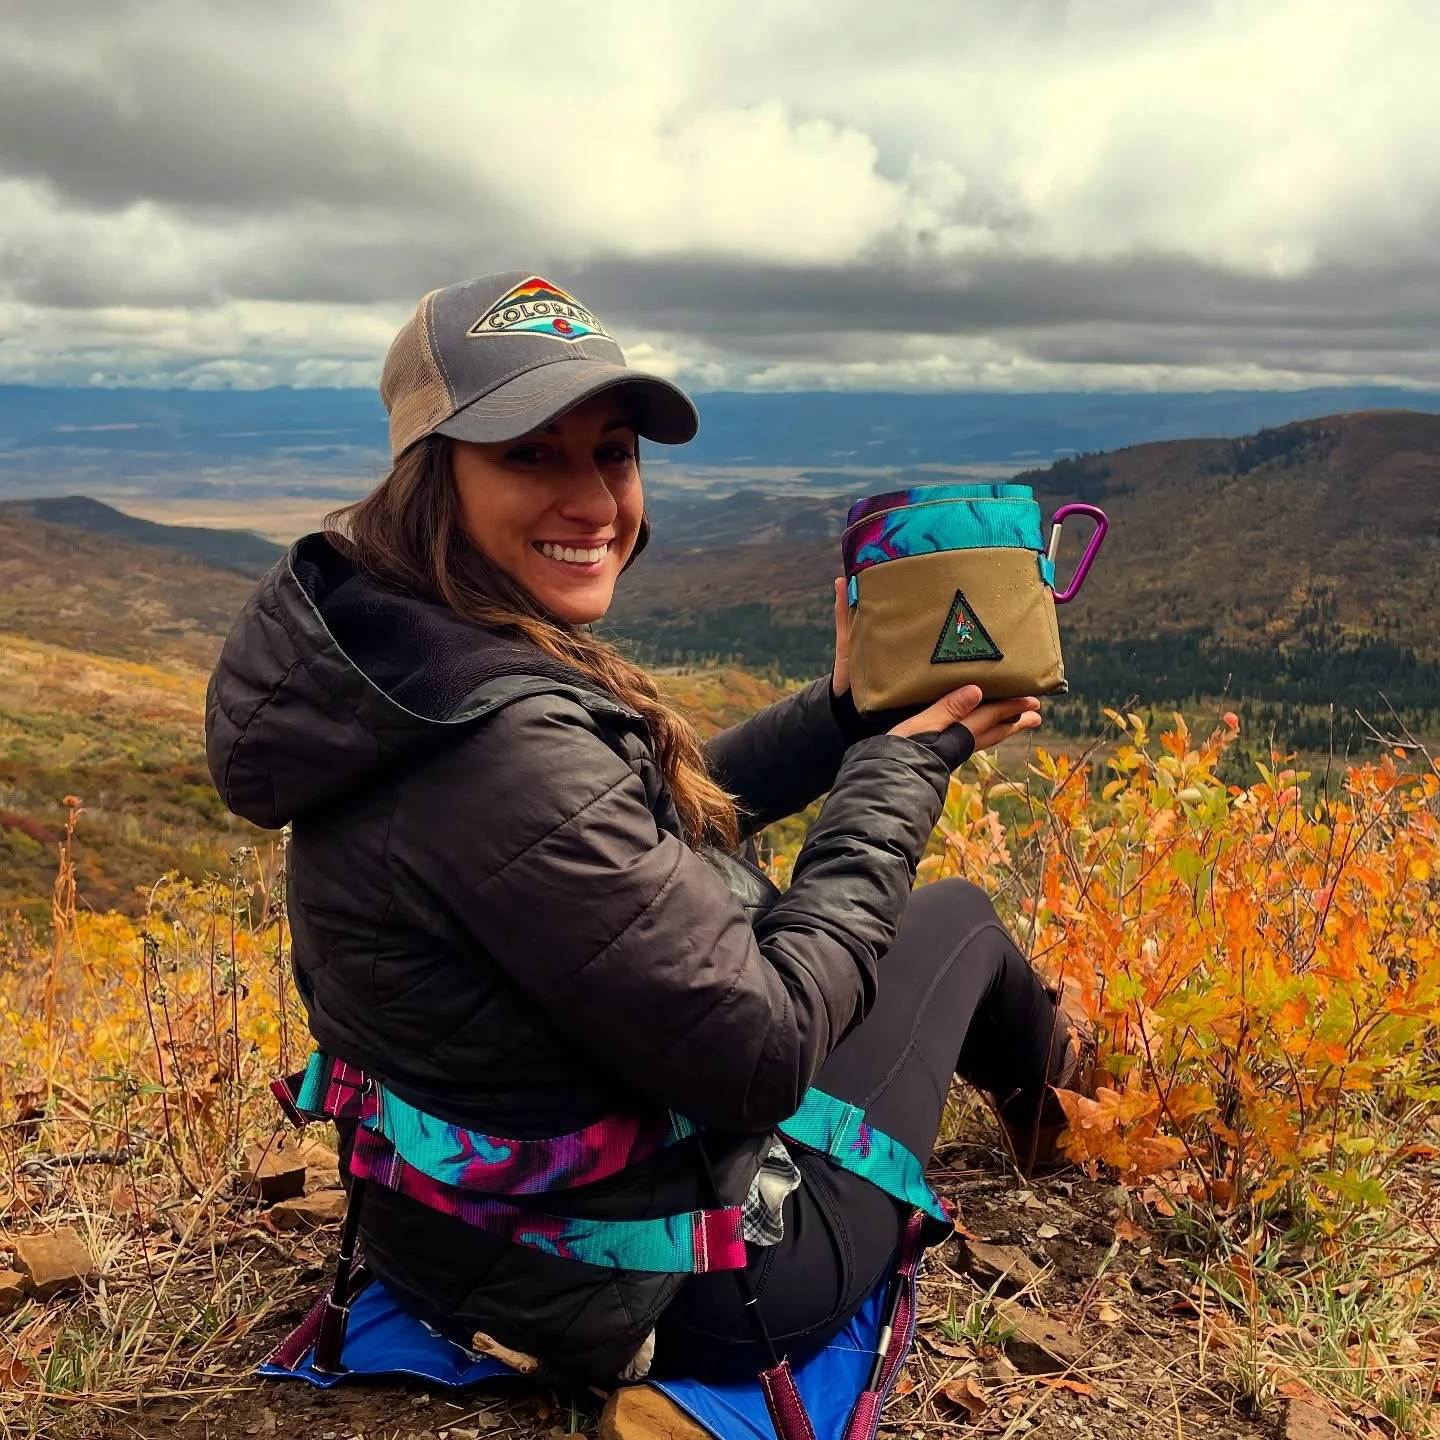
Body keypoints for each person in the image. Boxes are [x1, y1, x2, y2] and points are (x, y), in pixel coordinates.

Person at [205, 272, 1093, 1392]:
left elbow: (605, 828)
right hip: (674, 1282)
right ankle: (1074, 1111)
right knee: (954, 919)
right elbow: (762, 1057)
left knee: (888, 928)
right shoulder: (500, 743)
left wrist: (841, 719)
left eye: (613, 454)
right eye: (531, 454)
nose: (592, 501)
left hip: (450, 1237)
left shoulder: (396, 665)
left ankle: (1065, 1097)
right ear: (434, 475)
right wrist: (901, 766)